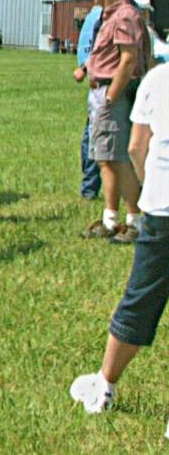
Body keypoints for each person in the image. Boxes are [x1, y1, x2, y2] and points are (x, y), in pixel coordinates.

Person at [68, 60, 169, 415]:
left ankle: (105, 385)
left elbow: (136, 147)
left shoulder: (157, 79)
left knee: (140, 297)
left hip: (162, 209)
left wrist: (150, 183)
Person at [80, 0, 147, 244]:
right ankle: (110, 219)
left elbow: (128, 59)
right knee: (105, 159)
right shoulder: (111, 16)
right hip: (102, 92)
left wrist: (110, 97)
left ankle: (134, 220)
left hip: (111, 94)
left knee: (118, 160)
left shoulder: (124, 16)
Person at [75, 6, 105, 200]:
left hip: (106, 88)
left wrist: (86, 69)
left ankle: (90, 189)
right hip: (102, 86)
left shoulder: (105, 15)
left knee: (94, 139)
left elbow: (100, 50)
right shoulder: (98, 15)